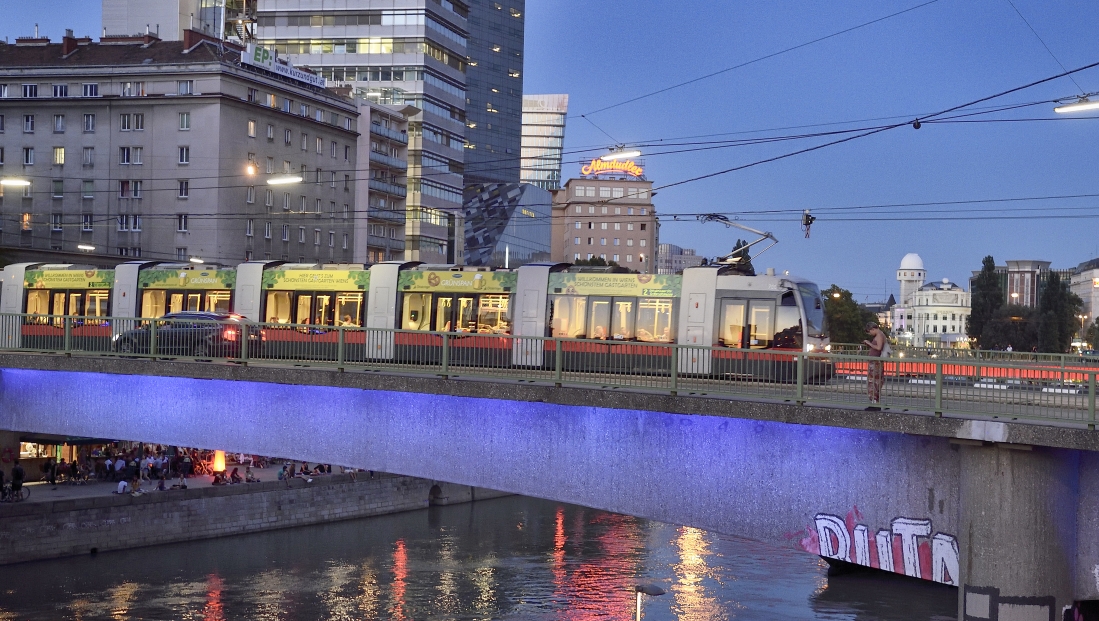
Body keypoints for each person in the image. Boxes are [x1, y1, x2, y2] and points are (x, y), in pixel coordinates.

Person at [862, 322, 887, 411]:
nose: (870, 334)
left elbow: (878, 347)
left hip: (875, 363)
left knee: (873, 383)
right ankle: (875, 403)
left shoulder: (879, 335)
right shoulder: (881, 334)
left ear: (873, 329)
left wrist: (869, 343)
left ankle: (874, 404)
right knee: (875, 383)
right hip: (876, 362)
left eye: (869, 332)